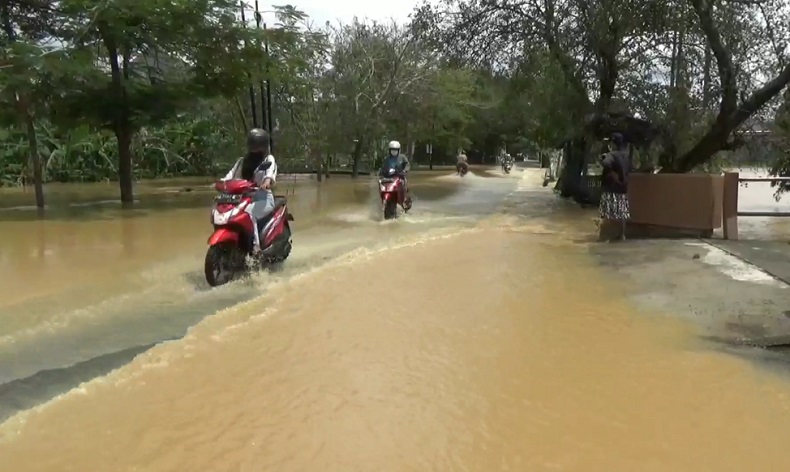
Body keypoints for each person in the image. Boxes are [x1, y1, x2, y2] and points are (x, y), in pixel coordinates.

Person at [222, 128, 278, 254]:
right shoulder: (243, 161)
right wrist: (220, 182)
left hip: (263, 199)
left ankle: (256, 248)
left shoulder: (268, 159)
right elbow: (230, 175)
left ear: (263, 145)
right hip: (243, 198)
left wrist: (266, 182)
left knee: (248, 214)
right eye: (252, 144)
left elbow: (270, 174)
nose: (254, 147)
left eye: (257, 144)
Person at [599, 132, 630, 241]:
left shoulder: (611, 155)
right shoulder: (626, 155)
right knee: (622, 213)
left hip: (611, 188)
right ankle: (622, 235)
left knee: (607, 212)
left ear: (613, 143)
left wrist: (604, 157)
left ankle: (604, 237)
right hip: (622, 188)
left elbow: (606, 163)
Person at [379, 140, 412, 209]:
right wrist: (381, 173)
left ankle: (405, 202)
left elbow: (407, 165)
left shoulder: (402, 158)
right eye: (392, 150)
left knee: (404, 186)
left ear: (398, 150)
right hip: (388, 178)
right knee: (381, 184)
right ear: (389, 150)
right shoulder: (386, 159)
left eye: (395, 150)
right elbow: (382, 168)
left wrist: (404, 170)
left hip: (400, 177)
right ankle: (382, 202)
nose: (394, 151)